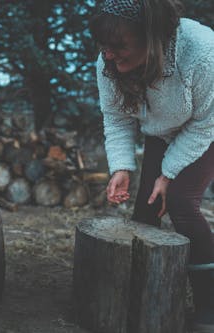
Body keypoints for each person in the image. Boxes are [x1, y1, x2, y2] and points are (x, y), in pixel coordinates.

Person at [90, 0, 214, 329]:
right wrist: (121, 167)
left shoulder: (201, 52)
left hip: (207, 127)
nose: (109, 55)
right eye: (103, 46)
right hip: (164, 130)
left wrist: (168, 173)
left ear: (153, 37)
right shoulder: (107, 61)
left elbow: (205, 124)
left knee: (180, 202)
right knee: (147, 208)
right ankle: (142, 296)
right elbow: (116, 119)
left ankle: (209, 303)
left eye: (118, 46)